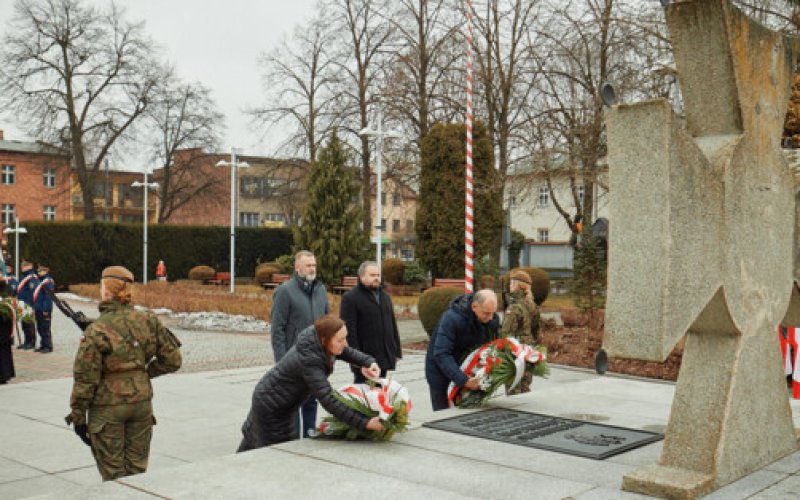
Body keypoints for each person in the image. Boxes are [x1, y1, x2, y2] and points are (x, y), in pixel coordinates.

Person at [66, 266, 182, 481]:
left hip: (107, 407)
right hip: (141, 404)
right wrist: (144, 374)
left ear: (107, 292)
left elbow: (85, 378)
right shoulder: (149, 320)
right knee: (137, 473)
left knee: (113, 476)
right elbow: (173, 360)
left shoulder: (97, 329)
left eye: (102, 287)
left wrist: (78, 416)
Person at [237, 314, 383, 452]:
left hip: (275, 400)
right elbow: (328, 399)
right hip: (271, 406)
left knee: (255, 443)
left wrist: (368, 362)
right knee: (279, 453)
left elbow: (345, 352)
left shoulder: (319, 342)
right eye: (340, 340)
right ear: (324, 340)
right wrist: (365, 422)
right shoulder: (310, 360)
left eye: (345, 338)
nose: (345, 343)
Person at [271, 250, 329, 438]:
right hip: (293, 359)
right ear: (297, 267)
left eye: (314, 265)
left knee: (312, 399)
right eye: (308, 265)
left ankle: (310, 434)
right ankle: (293, 439)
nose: (312, 269)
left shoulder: (320, 289)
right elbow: (277, 329)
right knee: (294, 401)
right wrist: (281, 361)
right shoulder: (285, 291)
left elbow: (327, 323)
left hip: (316, 358)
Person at [425, 289, 500, 411]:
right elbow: (441, 354)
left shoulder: (492, 319)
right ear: (474, 306)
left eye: (493, 313)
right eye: (486, 313)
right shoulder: (451, 319)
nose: (491, 318)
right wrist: (463, 380)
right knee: (444, 418)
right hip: (441, 375)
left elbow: (495, 346)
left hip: (470, 373)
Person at [339, 261, 402, 383]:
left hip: (384, 355)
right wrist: (356, 359)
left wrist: (396, 350)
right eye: (372, 275)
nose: (377, 278)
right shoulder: (350, 298)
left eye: (378, 275)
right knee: (365, 395)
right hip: (364, 356)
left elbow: (392, 324)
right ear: (362, 276)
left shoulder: (385, 297)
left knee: (380, 394)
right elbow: (349, 331)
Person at [501, 269, 539, 394]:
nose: (510, 285)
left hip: (515, 350)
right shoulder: (533, 305)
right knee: (525, 387)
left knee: (513, 387)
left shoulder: (514, 307)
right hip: (529, 348)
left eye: (512, 283)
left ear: (519, 286)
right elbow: (536, 330)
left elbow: (506, 333)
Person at [15, 260, 38, 350]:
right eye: (22, 267)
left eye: (24, 266)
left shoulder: (32, 277)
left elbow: (33, 291)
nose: (22, 268)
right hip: (22, 303)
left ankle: (31, 342)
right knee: (24, 324)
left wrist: (30, 304)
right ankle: (26, 341)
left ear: (30, 266)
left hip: (28, 304)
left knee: (29, 324)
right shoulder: (25, 277)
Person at [33, 264, 55, 353]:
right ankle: (43, 345)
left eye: (41, 271)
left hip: (44, 309)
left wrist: (46, 309)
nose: (39, 273)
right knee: (40, 328)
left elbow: (48, 297)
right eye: (38, 271)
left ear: (46, 271)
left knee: (45, 328)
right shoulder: (40, 281)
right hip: (38, 308)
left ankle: (48, 346)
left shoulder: (48, 282)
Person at [0, 282, 16, 384]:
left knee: (3, 349)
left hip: (3, 322)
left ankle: (4, 375)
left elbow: (11, 301)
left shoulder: (6, 286)